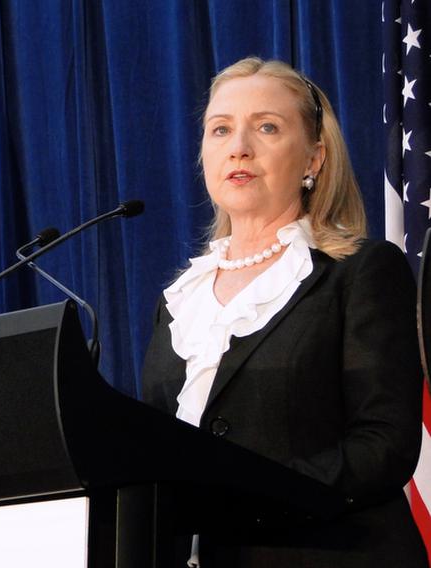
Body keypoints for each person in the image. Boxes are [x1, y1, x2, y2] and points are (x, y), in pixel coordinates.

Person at [142, 58, 428, 567]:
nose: (239, 146)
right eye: (220, 129)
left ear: (314, 159)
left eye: (267, 127)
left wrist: (248, 499)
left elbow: (384, 444)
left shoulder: (360, 272)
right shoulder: (180, 300)